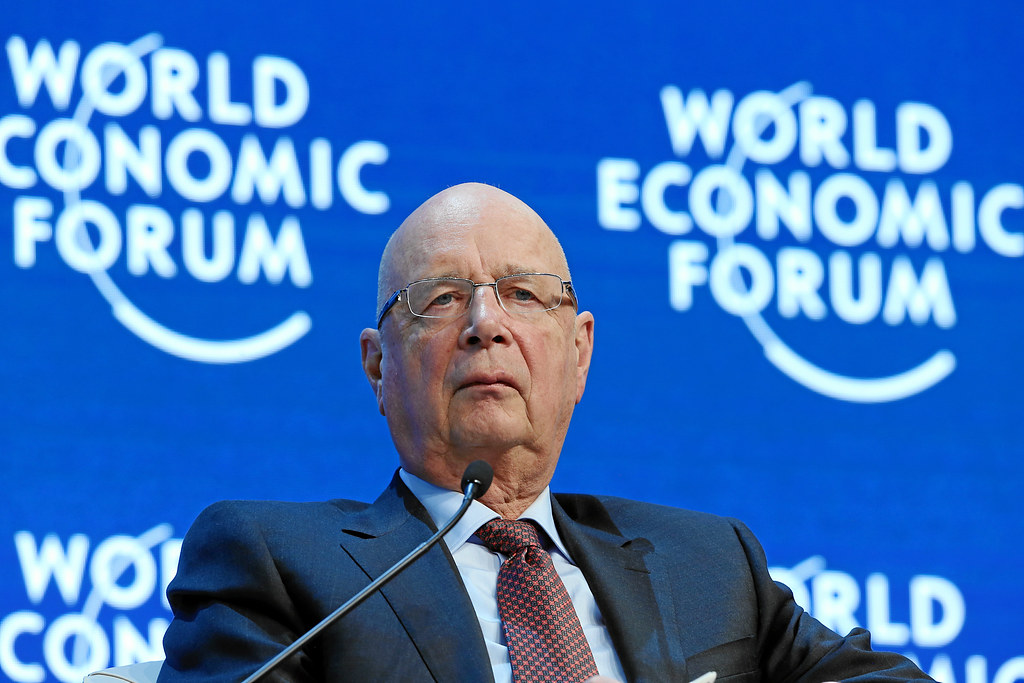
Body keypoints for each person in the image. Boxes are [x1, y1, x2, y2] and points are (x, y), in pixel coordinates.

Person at [159, 183, 932, 682]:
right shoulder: (277, 560)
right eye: (441, 298)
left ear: (580, 351)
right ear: (377, 366)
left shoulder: (710, 563)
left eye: (524, 294)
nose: (485, 323)